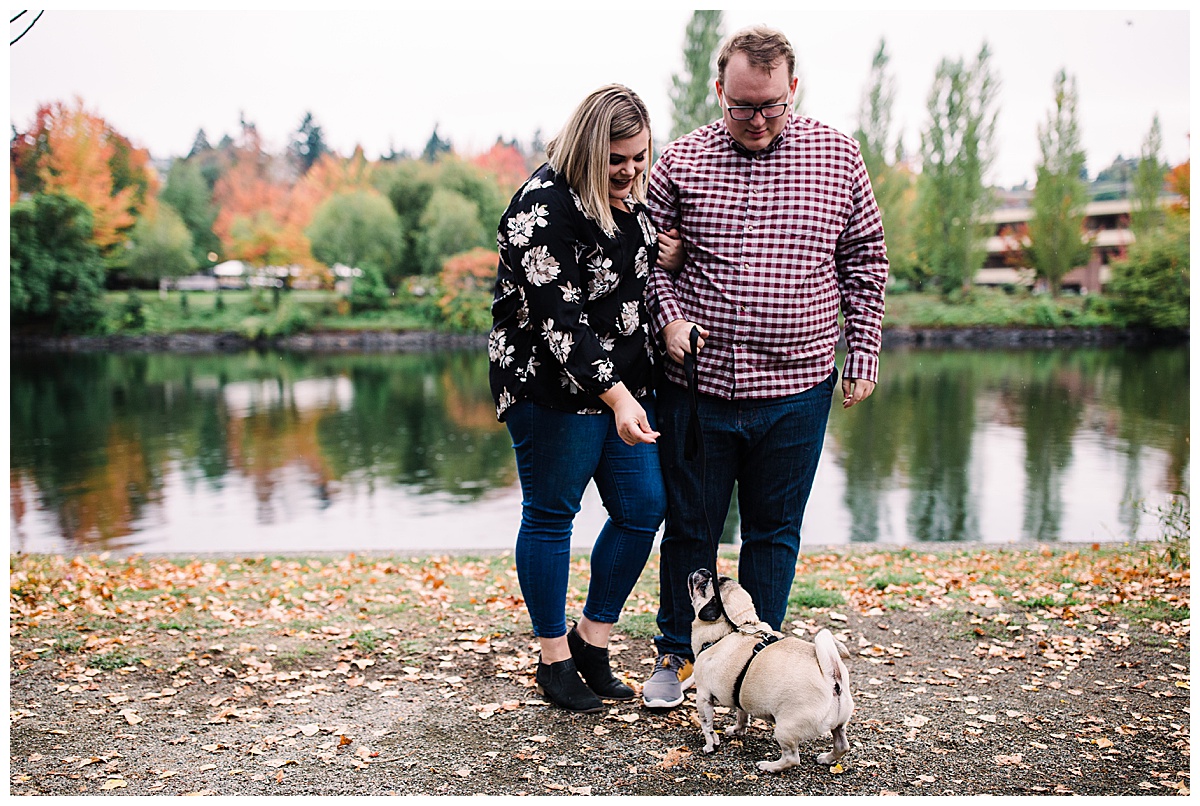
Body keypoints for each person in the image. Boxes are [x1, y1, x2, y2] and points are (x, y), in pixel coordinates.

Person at [639, 25, 889, 709]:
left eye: (771, 106)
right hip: (701, 389)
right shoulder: (682, 162)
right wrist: (666, 316)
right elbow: (642, 261)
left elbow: (865, 259)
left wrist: (861, 349)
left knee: (773, 533)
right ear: (719, 91)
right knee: (692, 528)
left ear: (793, 90)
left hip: (797, 390)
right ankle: (676, 655)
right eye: (742, 106)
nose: (756, 120)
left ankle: (756, 657)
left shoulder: (838, 156)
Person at [488, 84, 667, 714]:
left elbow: (631, 271)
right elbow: (559, 320)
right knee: (550, 514)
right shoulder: (541, 207)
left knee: (643, 507)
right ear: (589, 152)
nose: (631, 171)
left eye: (640, 156)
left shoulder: (629, 200)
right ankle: (553, 659)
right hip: (549, 387)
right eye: (617, 160)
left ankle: (592, 640)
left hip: (621, 386)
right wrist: (618, 397)